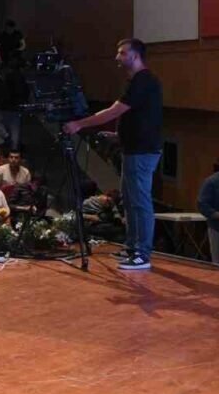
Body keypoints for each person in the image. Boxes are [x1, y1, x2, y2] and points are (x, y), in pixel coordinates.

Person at [63, 38, 163, 271]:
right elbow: (140, 117)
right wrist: (119, 136)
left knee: (140, 201)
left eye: (122, 53)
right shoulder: (136, 81)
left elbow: (114, 111)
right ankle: (132, 248)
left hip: (142, 151)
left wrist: (79, 124)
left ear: (135, 55)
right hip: (133, 149)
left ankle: (142, 254)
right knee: (129, 200)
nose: (117, 57)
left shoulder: (143, 80)